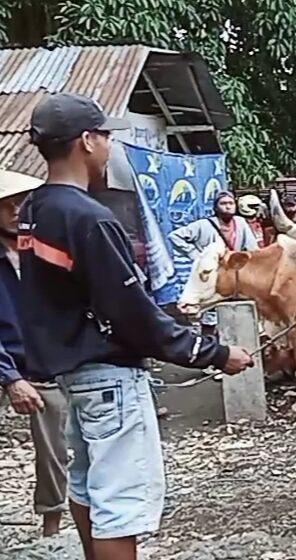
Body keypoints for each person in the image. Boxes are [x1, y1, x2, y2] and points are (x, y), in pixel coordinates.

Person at [18, 93, 254, 560]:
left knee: (86, 488)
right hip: (109, 379)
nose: (109, 147)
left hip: (72, 376)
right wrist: (214, 353)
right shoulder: (89, 218)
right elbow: (133, 314)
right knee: (119, 506)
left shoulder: (33, 211)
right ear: (87, 141)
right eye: (106, 137)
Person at [0, 170, 69, 537]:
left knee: (55, 446)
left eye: (20, 203)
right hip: (7, 357)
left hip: (42, 360)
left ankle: (52, 527)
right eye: (6, 205)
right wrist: (10, 379)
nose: (15, 211)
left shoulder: (43, 250)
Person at [169, 191, 259, 337]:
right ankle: (208, 343)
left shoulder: (241, 223)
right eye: (223, 204)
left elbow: (252, 248)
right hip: (211, 273)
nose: (228, 207)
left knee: (237, 306)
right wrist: (197, 255)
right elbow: (175, 236)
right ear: (216, 207)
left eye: (230, 203)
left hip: (232, 272)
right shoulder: (203, 225)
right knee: (209, 312)